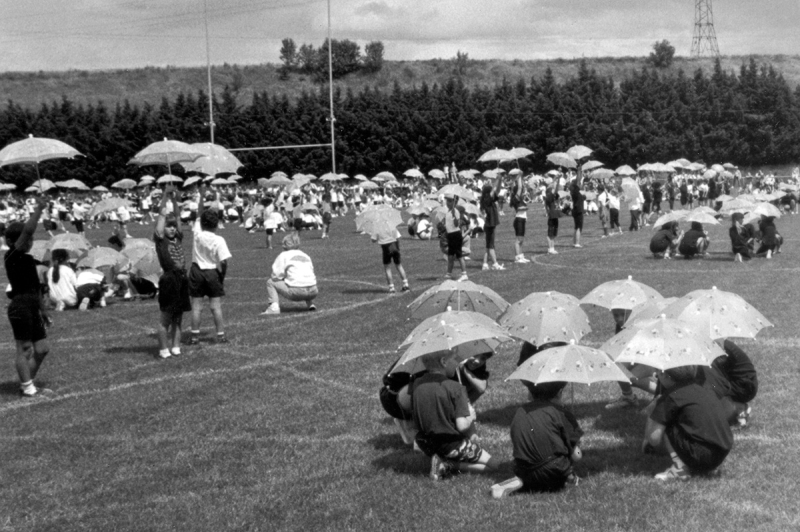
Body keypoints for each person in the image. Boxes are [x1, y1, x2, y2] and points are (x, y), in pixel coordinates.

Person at [410, 350, 500, 481]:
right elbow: (462, 426)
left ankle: (440, 458)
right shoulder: (456, 388)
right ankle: (448, 465)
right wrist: (471, 416)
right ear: (444, 361)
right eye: (456, 360)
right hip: (451, 445)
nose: (460, 363)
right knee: (495, 466)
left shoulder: (417, 384)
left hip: (425, 443)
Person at [643, 365, 733, 480]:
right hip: (721, 454)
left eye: (658, 374)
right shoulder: (703, 387)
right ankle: (701, 464)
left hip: (701, 456)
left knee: (667, 420)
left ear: (665, 375)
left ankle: (679, 469)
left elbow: (653, 439)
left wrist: (652, 412)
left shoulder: (670, 396)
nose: (657, 378)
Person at [4, 196, 55, 398]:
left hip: (31, 306)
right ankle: (28, 388)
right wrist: (39, 208)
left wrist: (44, 312)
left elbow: (36, 289)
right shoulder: (11, 255)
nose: (29, 242)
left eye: (31, 240)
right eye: (25, 239)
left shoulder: (27, 259)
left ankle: (27, 383)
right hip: (20, 306)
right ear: (10, 241)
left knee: (42, 349)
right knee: (24, 349)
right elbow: (28, 230)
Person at [507, 380, 583, 493]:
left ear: (530, 392)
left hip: (524, 474)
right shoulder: (560, 412)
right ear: (559, 392)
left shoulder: (520, 411)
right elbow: (577, 456)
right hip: (553, 471)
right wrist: (577, 443)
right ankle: (569, 477)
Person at [188, 186, 231, 344]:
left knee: (197, 306)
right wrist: (222, 275)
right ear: (216, 224)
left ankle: (194, 336)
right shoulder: (219, 240)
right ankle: (220, 335)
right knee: (215, 306)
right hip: (212, 272)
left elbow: (199, 214)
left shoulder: (197, 235)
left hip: (196, 271)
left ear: (202, 223)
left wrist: (200, 196)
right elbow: (224, 261)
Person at [154, 186, 191, 359]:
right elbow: (162, 216)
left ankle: (176, 347)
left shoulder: (178, 237)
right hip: (169, 279)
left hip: (182, 279)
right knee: (166, 317)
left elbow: (177, 217)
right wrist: (164, 196)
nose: (172, 229)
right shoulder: (161, 240)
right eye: (169, 227)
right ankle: (163, 349)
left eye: (173, 228)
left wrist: (175, 199)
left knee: (178, 316)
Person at [262, 232, 318, 314]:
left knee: (270, 282)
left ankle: (273, 308)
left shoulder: (284, 255)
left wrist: (284, 278)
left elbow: (276, 275)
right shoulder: (305, 255)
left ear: (285, 244)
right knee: (304, 279)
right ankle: (310, 304)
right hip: (313, 291)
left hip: (297, 292)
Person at [372, 226, 410, 294]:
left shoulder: (377, 227)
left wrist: (377, 236)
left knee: (387, 267)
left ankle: (391, 288)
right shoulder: (391, 225)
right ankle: (406, 284)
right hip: (395, 246)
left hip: (386, 248)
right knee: (399, 265)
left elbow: (373, 240)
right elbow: (397, 236)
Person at [479, 177, 505, 270]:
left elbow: (496, 190)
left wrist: (500, 180)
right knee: (491, 245)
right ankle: (495, 264)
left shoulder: (487, 199)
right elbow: (494, 190)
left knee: (488, 244)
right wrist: (498, 179)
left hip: (489, 224)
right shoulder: (488, 200)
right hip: (490, 224)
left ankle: (485, 264)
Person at [444, 195, 469, 281]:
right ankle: (448, 273)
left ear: (454, 202)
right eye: (447, 201)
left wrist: (454, 216)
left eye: (450, 201)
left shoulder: (455, 212)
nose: (448, 203)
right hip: (450, 235)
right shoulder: (448, 212)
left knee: (459, 255)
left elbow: (456, 224)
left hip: (455, 235)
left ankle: (464, 274)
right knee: (450, 256)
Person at [510, 174, 531, 263]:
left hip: (522, 219)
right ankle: (517, 257)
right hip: (518, 219)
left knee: (521, 239)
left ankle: (521, 256)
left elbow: (521, 188)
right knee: (518, 240)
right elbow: (519, 187)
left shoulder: (520, 199)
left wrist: (521, 178)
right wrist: (519, 177)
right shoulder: (516, 198)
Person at [544, 178, 561, 254]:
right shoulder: (549, 197)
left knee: (554, 234)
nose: (553, 190)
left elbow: (556, 190)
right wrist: (557, 181)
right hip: (552, 216)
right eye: (552, 189)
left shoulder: (554, 196)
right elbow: (555, 189)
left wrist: (558, 180)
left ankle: (552, 248)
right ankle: (550, 248)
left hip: (555, 216)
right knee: (550, 234)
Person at [570, 174, 586, 248]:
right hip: (578, 211)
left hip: (575, 210)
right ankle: (577, 243)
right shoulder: (576, 193)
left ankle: (574, 242)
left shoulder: (575, 193)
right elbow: (578, 182)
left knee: (576, 227)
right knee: (579, 227)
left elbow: (582, 197)